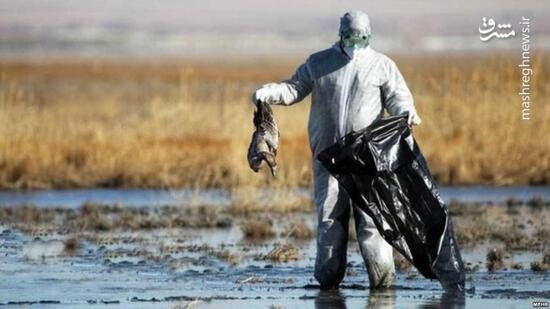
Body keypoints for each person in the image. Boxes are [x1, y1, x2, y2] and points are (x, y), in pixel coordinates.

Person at [251, 10, 421, 289]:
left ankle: (383, 285)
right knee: (329, 218)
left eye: (361, 38)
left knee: (372, 221)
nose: (355, 43)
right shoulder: (320, 63)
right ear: (340, 35)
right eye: (350, 37)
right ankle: (328, 283)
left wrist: (407, 112)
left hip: (368, 159)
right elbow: (295, 89)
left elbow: (398, 97)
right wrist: (269, 92)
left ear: (369, 35)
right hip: (328, 157)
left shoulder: (382, 66)